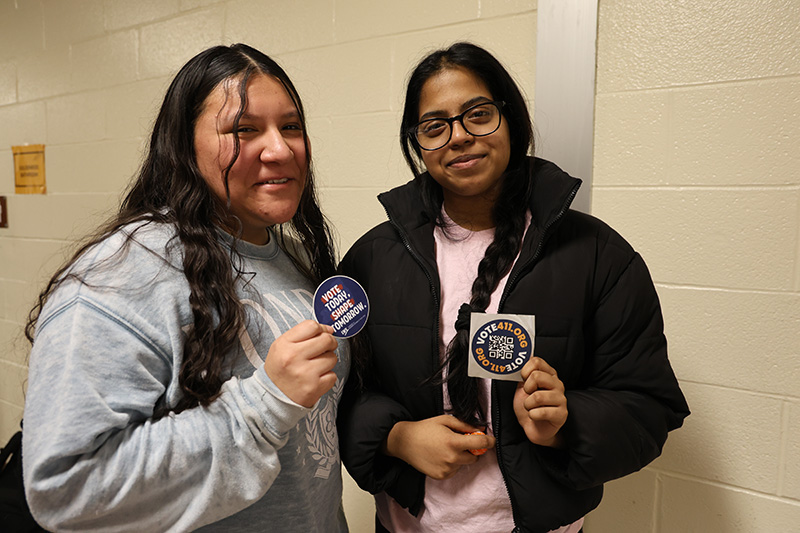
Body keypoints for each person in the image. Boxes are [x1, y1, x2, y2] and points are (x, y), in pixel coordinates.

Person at [338, 42, 690, 533]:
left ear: (512, 119)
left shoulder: (596, 254)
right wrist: (396, 437)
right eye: (435, 127)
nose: (459, 137)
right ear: (417, 143)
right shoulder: (372, 258)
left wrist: (567, 423)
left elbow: (649, 407)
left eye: (478, 115)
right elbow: (336, 394)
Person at [22, 44, 349, 532]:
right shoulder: (125, 275)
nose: (280, 148)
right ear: (183, 147)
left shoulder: (295, 257)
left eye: (292, 126)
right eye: (243, 129)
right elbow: (67, 489)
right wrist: (264, 405)